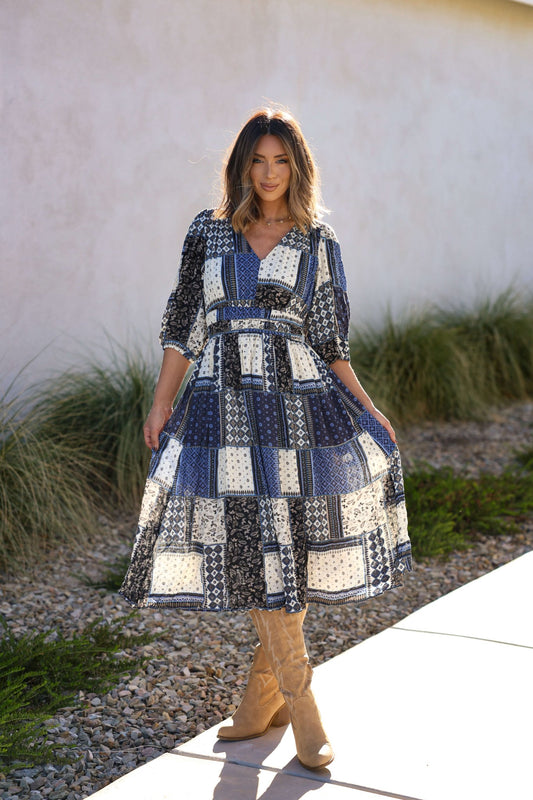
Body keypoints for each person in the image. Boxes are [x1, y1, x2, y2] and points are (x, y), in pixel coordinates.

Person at [120, 107, 411, 770]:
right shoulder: (209, 230)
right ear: (241, 164)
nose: (270, 173)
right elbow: (183, 323)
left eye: (281, 160)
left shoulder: (316, 240)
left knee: (294, 544)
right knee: (253, 542)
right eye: (258, 160)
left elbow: (331, 340)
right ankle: (302, 709)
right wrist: (161, 401)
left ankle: (259, 704)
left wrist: (368, 408)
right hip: (221, 403)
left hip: (298, 402)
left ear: (297, 166)